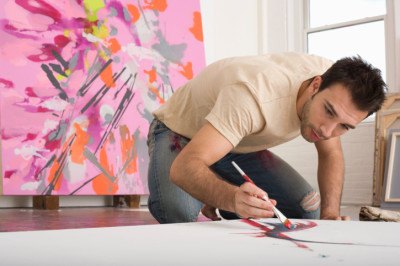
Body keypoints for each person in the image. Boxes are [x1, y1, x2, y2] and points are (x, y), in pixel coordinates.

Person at [146, 52, 386, 224]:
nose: (327, 131)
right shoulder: (253, 96)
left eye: (344, 126)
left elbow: (331, 153)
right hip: (180, 132)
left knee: (306, 210)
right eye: (329, 112)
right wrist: (230, 197)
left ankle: (218, 196)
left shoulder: (338, 88)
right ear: (315, 85)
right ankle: (215, 191)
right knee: (178, 213)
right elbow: (183, 168)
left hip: (237, 143)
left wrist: (330, 214)